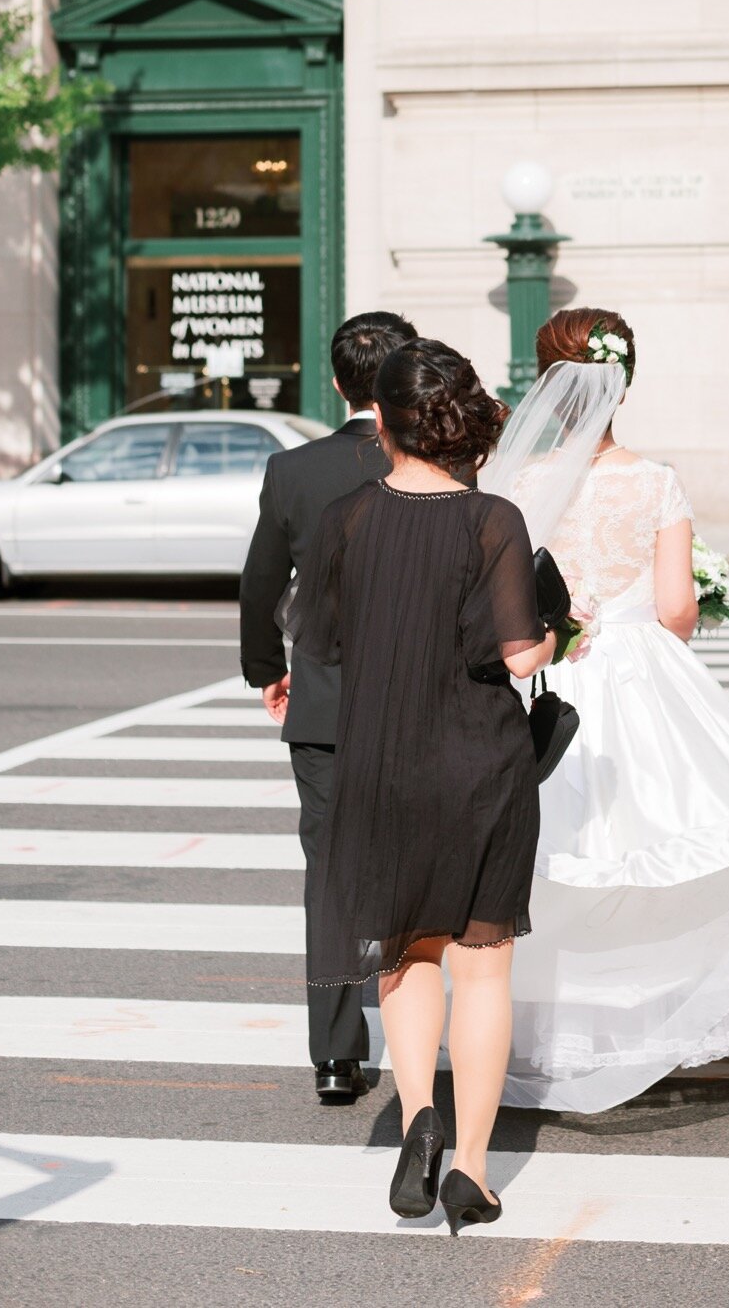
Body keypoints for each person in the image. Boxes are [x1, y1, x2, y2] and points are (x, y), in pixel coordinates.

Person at [478, 307, 729, 1111]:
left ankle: (566, 1036)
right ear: (621, 383)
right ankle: (669, 1020)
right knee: (666, 839)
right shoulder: (655, 480)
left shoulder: (517, 482)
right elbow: (674, 609)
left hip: (552, 673)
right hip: (642, 673)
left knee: (561, 852)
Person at [296, 339, 554, 1226]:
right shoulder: (494, 520)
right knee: (482, 968)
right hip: (479, 764)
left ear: (382, 419)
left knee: (404, 956)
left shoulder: (344, 518)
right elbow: (522, 654)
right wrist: (556, 632)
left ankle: (416, 1118)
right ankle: (473, 1169)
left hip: (379, 763)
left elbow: (323, 640)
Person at [238, 308, 417, 1104]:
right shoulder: (439, 464)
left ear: (339, 381)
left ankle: (337, 1056)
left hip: (324, 705)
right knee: (422, 870)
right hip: (420, 702)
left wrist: (266, 668)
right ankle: (425, 1029)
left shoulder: (294, 470)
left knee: (332, 875)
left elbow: (260, 584)